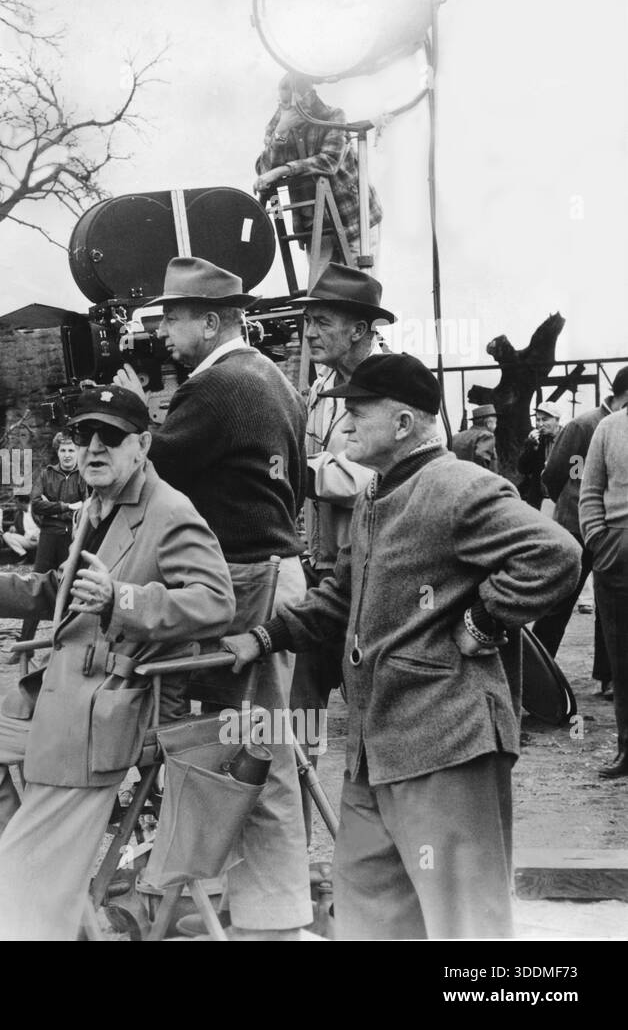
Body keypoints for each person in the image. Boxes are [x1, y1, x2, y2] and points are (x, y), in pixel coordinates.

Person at [223, 354, 582, 939]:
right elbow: (343, 595)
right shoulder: (374, 494)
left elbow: (555, 554)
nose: (345, 422)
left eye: (359, 410)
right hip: (376, 750)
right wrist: (266, 636)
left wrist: (484, 621)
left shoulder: (456, 485)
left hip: (446, 742)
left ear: (405, 423)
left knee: (464, 923)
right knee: (370, 914)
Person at [0, 385, 235, 939]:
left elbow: (216, 602)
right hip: (61, 697)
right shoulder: (96, 507)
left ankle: (32, 888)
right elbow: (55, 589)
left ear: (141, 445)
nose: (93, 448)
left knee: (28, 865)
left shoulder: (168, 512)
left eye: (110, 437)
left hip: (109, 712)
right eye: (81, 435)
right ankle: (38, 880)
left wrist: (125, 602)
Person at [113, 256, 314, 938]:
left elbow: (145, 473)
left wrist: (126, 412)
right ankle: (261, 901)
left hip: (246, 578)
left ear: (212, 320)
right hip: (275, 570)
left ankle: (276, 916)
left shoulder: (217, 388)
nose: (163, 329)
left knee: (256, 746)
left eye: (173, 317)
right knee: (259, 739)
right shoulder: (273, 379)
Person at [291, 264, 392, 793]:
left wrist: (296, 469)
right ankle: (295, 859)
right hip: (322, 572)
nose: (309, 332)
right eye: (308, 321)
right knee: (298, 719)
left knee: (375, 713)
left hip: (376, 576)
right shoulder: (322, 387)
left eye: (322, 321)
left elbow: (376, 476)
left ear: (359, 328)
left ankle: (387, 852)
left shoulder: (395, 384)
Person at [535, 369, 628, 687]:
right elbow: (552, 474)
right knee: (560, 602)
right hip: (577, 529)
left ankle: (608, 676)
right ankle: (536, 677)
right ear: (622, 396)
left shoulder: (604, 424)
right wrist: (570, 502)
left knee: (609, 608)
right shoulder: (584, 425)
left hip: (602, 532)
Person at [253, 73, 382, 284]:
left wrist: (282, 170)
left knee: (361, 290)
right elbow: (264, 169)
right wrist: (280, 133)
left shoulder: (334, 117)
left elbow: (329, 161)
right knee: (322, 294)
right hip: (315, 225)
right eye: (280, 102)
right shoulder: (280, 123)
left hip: (353, 219)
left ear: (305, 98)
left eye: (287, 102)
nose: (283, 108)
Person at [581, 400, 628, 779]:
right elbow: (591, 490)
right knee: (622, 656)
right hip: (619, 549)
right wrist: (600, 540)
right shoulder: (609, 429)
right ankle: (627, 748)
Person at [20, 432, 87, 643]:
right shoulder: (46, 474)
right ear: (57, 452)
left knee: (72, 587)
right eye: (63, 450)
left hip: (72, 539)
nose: (67, 455)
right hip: (49, 536)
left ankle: (66, 643)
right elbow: (37, 504)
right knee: (37, 586)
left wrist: (54, 507)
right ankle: (25, 643)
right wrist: (66, 506)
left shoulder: (84, 476)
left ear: (77, 452)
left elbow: (86, 507)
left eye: (71, 450)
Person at [517, 401, 562, 508]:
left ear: (557, 420)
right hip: (539, 500)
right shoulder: (536, 440)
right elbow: (523, 469)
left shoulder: (568, 438)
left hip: (561, 501)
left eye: (545, 419)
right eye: (538, 420)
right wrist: (530, 447)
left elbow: (576, 473)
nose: (540, 424)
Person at [451, 405, 498, 471]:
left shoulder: (455, 437)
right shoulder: (487, 435)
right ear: (488, 423)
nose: (496, 425)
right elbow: (482, 464)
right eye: (495, 422)